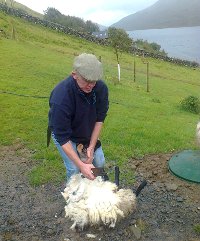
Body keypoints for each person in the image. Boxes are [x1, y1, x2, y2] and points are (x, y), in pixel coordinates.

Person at [48, 53, 109, 181]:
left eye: (94, 81)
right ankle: (73, 196)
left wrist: (91, 147)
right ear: (74, 75)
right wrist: (81, 165)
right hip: (66, 135)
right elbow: (62, 137)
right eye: (87, 81)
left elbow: (99, 119)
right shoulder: (61, 97)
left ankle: (95, 189)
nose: (91, 86)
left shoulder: (101, 88)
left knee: (99, 161)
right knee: (74, 169)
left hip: (85, 131)